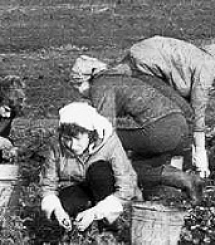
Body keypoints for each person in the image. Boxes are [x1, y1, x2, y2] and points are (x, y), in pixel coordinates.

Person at [70, 56, 203, 202]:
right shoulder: (117, 78)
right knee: (139, 166)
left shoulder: (100, 85)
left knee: (109, 147)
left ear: (83, 81)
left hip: (160, 128)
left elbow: (105, 128)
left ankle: (180, 180)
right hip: (177, 124)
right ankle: (184, 180)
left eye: (77, 87)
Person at [120, 36, 215, 177]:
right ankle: (148, 159)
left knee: (181, 114)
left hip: (145, 55)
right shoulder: (208, 69)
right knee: (183, 115)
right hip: (145, 64)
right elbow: (198, 113)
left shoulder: (212, 61)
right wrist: (201, 157)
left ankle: (167, 159)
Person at [39, 102, 141, 233]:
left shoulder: (109, 142)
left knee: (99, 170)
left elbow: (126, 186)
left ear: (91, 135)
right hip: (79, 189)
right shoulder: (57, 145)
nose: (72, 145)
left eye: (78, 139)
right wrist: (56, 209)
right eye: (67, 139)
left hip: (106, 190)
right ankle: (77, 230)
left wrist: (95, 212)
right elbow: (48, 184)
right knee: (64, 205)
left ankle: (108, 229)